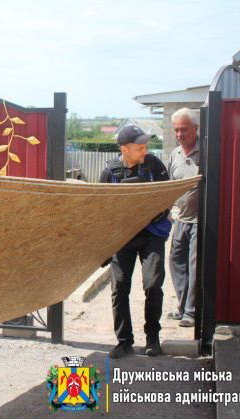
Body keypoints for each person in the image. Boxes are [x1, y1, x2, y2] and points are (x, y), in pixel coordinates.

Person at [99, 125, 171, 359]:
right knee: (119, 288)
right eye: (140, 147)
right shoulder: (109, 172)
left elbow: (167, 196)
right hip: (122, 238)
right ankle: (123, 341)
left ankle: (152, 337)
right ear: (124, 149)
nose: (145, 151)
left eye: (146, 146)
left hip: (152, 235)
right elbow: (99, 210)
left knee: (152, 284)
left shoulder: (154, 165)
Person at [167, 108, 200, 328]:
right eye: (176, 130)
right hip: (181, 220)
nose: (180, 134)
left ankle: (191, 312)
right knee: (176, 263)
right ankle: (182, 307)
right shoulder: (174, 155)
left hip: (200, 222)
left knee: (194, 267)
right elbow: (170, 188)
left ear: (196, 128)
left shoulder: (205, 152)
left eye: (184, 129)